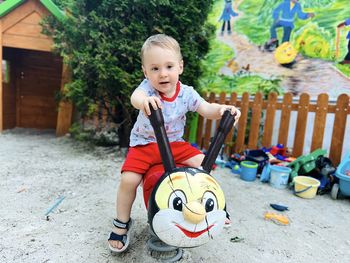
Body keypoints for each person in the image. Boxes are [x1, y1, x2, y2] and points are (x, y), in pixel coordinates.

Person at [108, 34, 241, 253]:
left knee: (203, 165)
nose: (162, 74)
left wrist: (222, 110)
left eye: (169, 66)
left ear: (180, 67)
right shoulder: (147, 90)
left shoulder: (186, 93)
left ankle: (212, 208)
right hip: (144, 145)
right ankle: (122, 223)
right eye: (154, 68)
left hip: (173, 145)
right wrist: (145, 102)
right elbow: (135, 97)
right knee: (128, 179)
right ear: (145, 72)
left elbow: (206, 108)